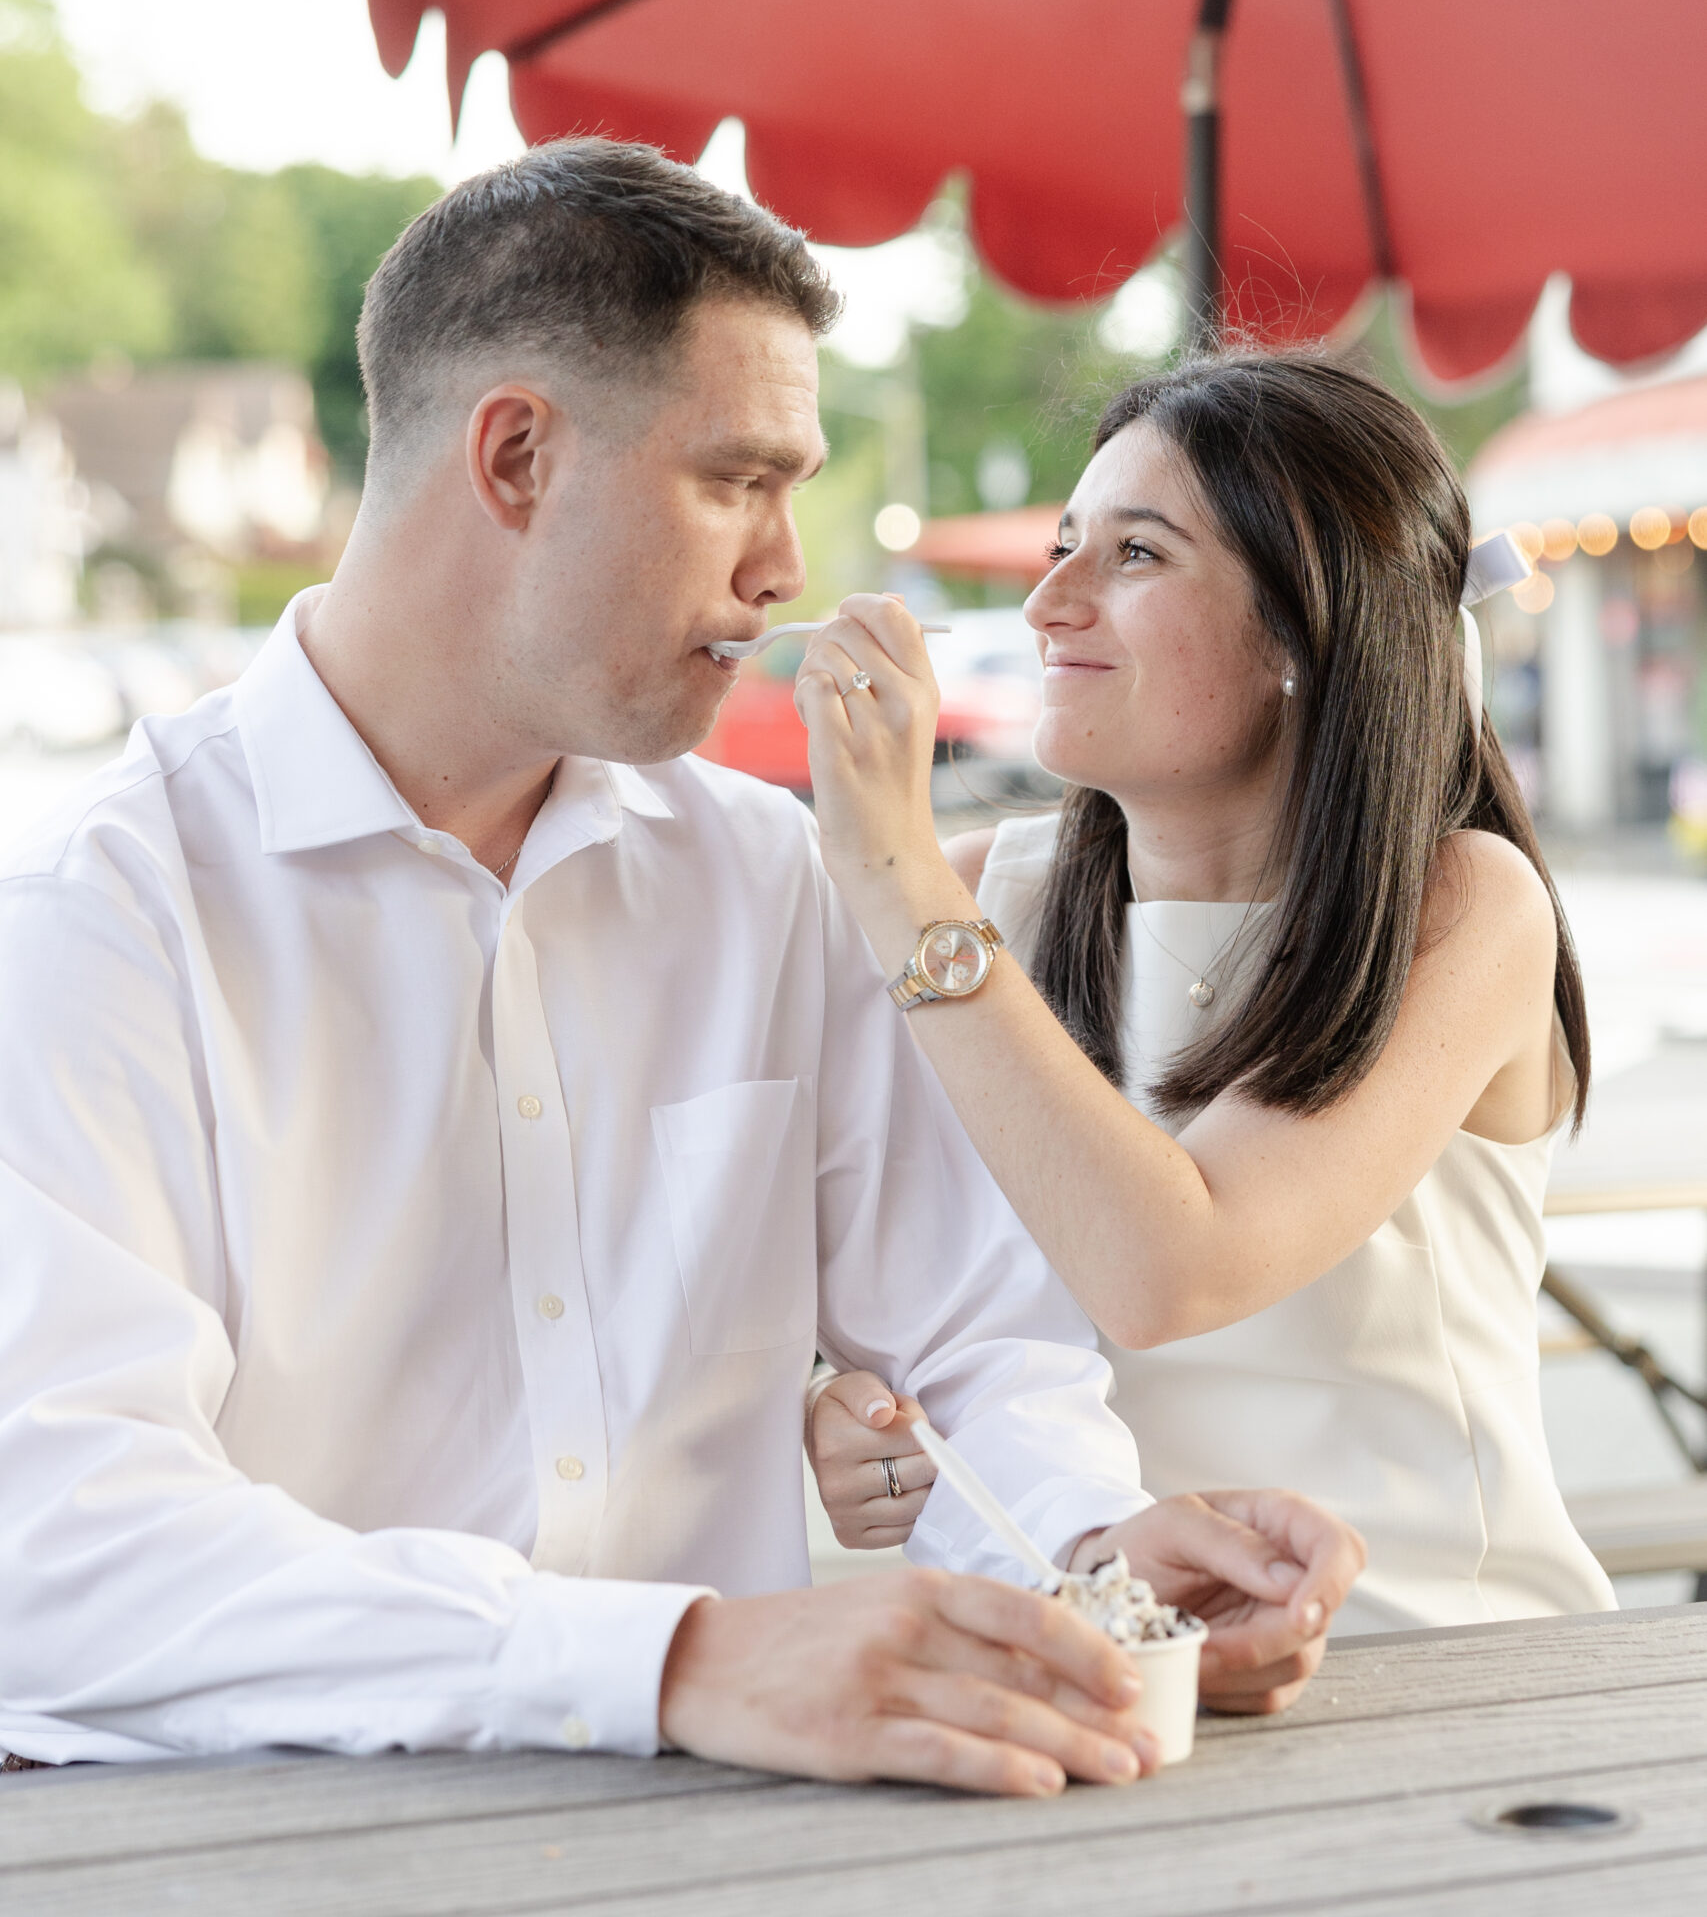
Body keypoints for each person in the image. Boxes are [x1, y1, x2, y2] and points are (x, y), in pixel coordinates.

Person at [0, 146, 1362, 1791]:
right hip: (268, 1855)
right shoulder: (105, 916)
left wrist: (1088, 1556)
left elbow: (981, 1342)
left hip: (725, 1852)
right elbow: (54, 1545)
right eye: (739, 479)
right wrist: (679, 1657)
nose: (788, 566)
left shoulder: (766, 880)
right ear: (515, 456)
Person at [798, 351, 1614, 1636]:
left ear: (1303, 627)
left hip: (1439, 1658)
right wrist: (847, 1414)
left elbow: (1170, 1268)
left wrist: (892, 872)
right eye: (1065, 545)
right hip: (1103, 1658)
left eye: (1134, 555)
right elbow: (857, 1279)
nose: (1048, 604)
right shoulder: (977, 899)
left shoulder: (1462, 904)